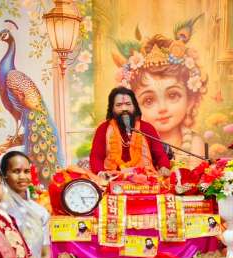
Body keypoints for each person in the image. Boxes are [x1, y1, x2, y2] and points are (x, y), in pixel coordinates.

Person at [116, 29, 208, 168]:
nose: (162, 108)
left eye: (172, 95)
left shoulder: (194, 144)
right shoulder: (135, 143)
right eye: (148, 100)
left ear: (190, 101)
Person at [89, 86, 171, 175]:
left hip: (145, 178)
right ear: (112, 108)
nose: (124, 108)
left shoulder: (147, 128)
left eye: (128, 104)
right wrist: (100, 172)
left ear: (134, 106)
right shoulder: (103, 128)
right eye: (119, 105)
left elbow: (160, 155)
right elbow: (96, 157)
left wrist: (164, 167)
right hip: (112, 178)